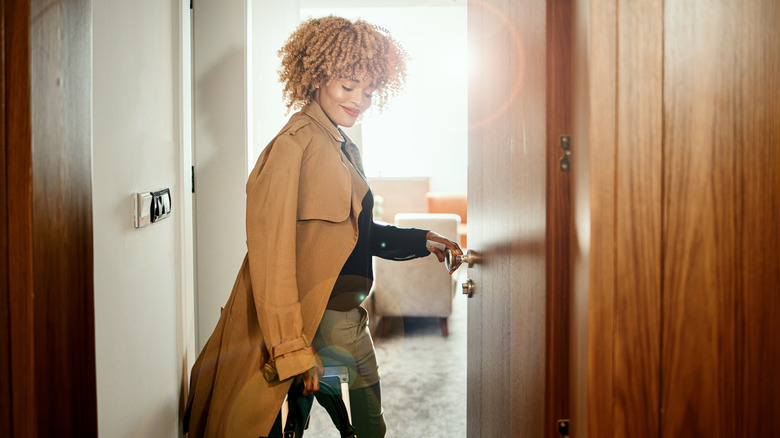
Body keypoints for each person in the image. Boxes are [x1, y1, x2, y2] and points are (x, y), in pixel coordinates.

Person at [183, 16, 462, 438]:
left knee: (354, 418)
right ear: (316, 75)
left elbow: (357, 233)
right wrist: (293, 348)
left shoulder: (338, 143)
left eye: (368, 91)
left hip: (345, 314)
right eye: (348, 85)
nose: (360, 100)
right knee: (367, 424)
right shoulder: (293, 146)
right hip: (319, 319)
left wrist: (421, 239)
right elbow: (270, 257)